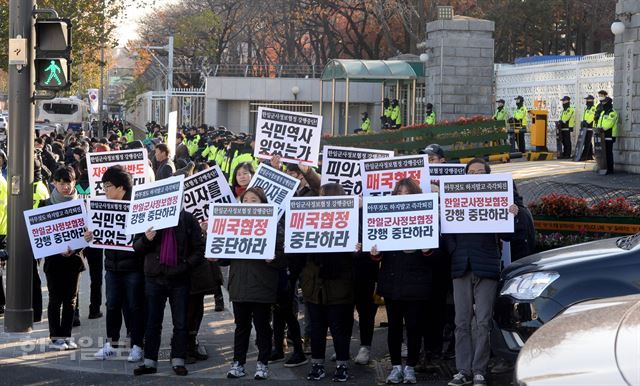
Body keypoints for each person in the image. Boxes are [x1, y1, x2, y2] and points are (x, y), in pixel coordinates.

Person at [446, 158, 518, 386]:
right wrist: (455, 250)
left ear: (488, 175)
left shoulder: (498, 199)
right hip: (461, 266)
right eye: (471, 171)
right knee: (461, 321)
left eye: (480, 171)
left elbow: (507, 237)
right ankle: (463, 370)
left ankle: (479, 369)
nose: (475, 174)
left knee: (484, 321)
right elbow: (446, 234)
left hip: (486, 265)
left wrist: (511, 215)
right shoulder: (454, 199)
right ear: (465, 175)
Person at [370, 178, 432, 385]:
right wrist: (375, 253)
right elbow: (378, 251)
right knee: (394, 327)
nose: (403, 198)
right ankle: (396, 367)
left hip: (417, 282)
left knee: (414, 327)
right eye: (399, 194)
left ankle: (411, 367)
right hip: (392, 281)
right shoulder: (386, 216)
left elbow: (436, 253)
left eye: (407, 194)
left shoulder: (425, 217)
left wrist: (426, 251)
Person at [220, 187, 285, 380]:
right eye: (245, 200)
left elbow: (284, 258)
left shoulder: (273, 225)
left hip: (262, 285)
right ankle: (238, 363)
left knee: (263, 326)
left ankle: (262, 363)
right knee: (241, 327)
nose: (248, 203)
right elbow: (225, 258)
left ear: (263, 203)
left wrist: (273, 259)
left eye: (253, 200)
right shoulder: (233, 224)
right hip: (239, 285)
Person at [132, 209, 205, 376]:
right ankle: (149, 361)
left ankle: (178, 359)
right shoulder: (148, 216)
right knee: (152, 321)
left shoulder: (187, 219)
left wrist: (185, 266)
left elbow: (199, 249)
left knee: (180, 322)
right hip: (154, 277)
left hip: (180, 278)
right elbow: (136, 247)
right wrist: (146, 239)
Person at [301, 183, 360, 383]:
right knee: (317, 327)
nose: (322, 199)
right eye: (321, 196)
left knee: (338, 328)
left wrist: (357, 248)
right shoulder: (310, 218)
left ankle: (342, 364)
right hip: (314, 284)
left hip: (339, 284)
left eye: (326, 196)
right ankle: (317, 364)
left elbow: (357, 253)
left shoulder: (351, 219)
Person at [90, 166, 144, 362]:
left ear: (121, 187)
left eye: (108, 186)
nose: (105, 190)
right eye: (103, 186)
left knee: (134, 307)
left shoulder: (137, 208)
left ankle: (137, 345)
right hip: (112, 267)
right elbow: (99, 236)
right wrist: (91, 236)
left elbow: (142, 242)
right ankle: (110, 344)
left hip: (133, 268)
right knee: (112, 306)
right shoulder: (103, 208)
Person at [42, 166, 85, 350]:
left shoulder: (82, 203)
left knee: (71, 300)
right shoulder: (45, 205)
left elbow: (86, 233)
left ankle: (66, 336)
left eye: (68, 183)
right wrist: (56, 249)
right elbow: (40, 235)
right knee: (55, 299)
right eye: (61, 183)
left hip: (74, 260)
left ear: (74, 182)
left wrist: (75, 249)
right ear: (54, 183)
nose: (65, 187)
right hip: (53, 260)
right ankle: (55, 337)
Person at [596, 94, 618, 175]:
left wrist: (603, 129)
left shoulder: (612, 113)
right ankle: (603, 167)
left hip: (609, 135)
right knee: (602, 153)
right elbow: (599, 122)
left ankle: (610, 169)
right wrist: (598, 128)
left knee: (608, 153)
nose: (603, 104)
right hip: (601, 135)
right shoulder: (603, 112)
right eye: (602, 102)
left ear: (609, 103)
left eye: (604, 102)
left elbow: (610, 123)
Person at [577, 95, 597, 161]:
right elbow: (584, 116)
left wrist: (587, 122)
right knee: (587, 141)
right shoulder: (587, 108)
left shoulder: (593, 108)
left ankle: (585, 155)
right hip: (585, 127)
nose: (586, 101)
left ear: (591, 100)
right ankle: (589, 155)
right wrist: (583, 122)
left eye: (588, 100)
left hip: (590, 127)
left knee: (587, 141)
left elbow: (592, 116)